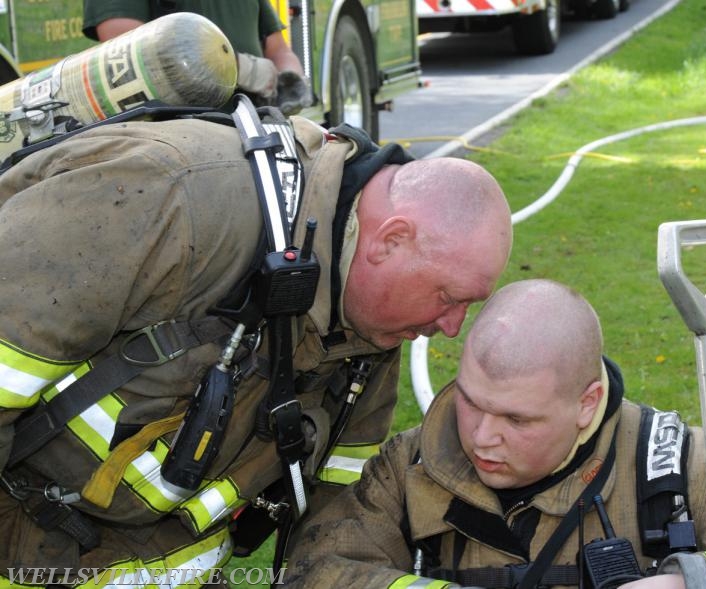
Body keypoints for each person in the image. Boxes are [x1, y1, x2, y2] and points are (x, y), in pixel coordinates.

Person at [0, 106, 513, 585]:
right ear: (391, 240)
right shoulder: (173, 198)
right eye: (448, 297)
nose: (452, 327)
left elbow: (340, 515)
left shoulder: (366, 326)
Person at [285, 279, 706, 589]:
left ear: (587, 405)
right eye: (470, 400)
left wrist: (692, 581)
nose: (482, 438)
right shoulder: (411, 467)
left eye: (516, 419)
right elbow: (316, 569)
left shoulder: (679, 466)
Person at [82, 0, 311, 115]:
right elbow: (122, 43)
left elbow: (279, 49)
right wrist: (243, 69)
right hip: (182, 148)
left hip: (256, 138)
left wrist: (290, 81)